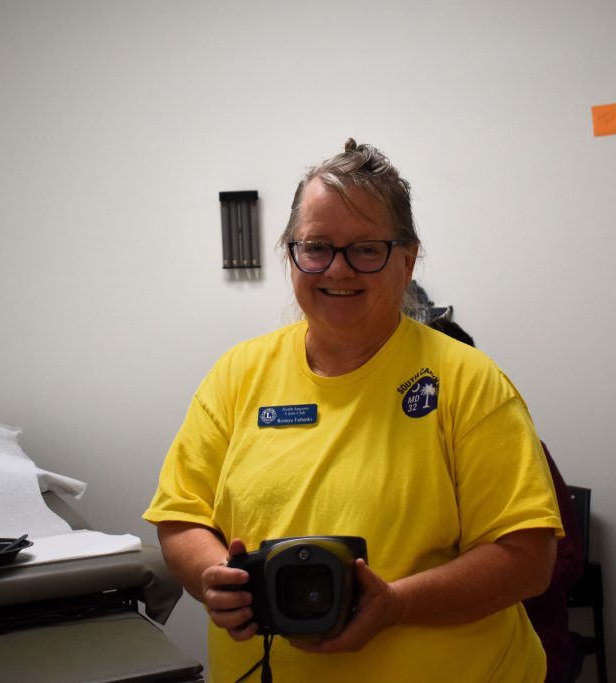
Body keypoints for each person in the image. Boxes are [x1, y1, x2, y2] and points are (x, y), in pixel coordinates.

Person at [143, 139, 563, 682]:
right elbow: (181, 517)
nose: (337, 270)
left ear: (408, 259)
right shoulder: (237, 375)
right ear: (290, 253)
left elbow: (527, 559)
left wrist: (398, 604)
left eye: (366, 249)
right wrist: (212, 576)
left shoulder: (468, 382)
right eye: (316, 247)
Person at [424, 317, 585, 683]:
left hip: (524, 642)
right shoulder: (409, 454)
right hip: (436, 643)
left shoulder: (519, 445)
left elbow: (568, 557)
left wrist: (491, 579)